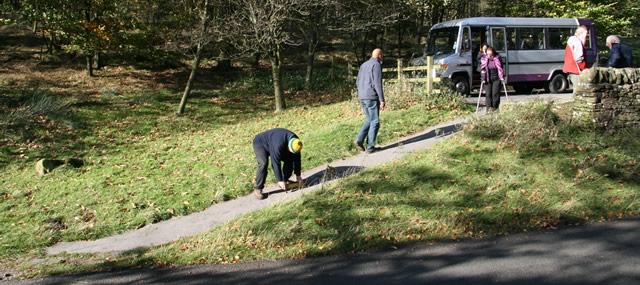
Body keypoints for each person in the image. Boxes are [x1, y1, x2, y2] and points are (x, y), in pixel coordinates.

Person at [252, 128, 303, 200]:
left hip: (276, 143)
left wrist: (298, 175)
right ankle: (258, 188)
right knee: (263, 164)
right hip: (260, 144)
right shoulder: (278, 145)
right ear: (288, 146)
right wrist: (279, 180)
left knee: (289, 159)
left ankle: (285, 180)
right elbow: (275, 162)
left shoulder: (296, 142)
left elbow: (297, 159)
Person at [355, 48, 385, 154]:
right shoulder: (376, 65)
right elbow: (377, 83)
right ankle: (370, 146)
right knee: (375, 121)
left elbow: (357, 81)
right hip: (371, 96)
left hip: (362, 96)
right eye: (382, 56)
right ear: (379, 55)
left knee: (369, 119)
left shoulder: (363, 65)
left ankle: (359, 139)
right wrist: (382, 99)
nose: (383, 58)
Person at [480, 46, 504, 111]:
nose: (489, 56)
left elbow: (501, 68)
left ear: (493, 53)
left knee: (495, 94)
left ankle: (495, 108)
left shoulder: (497, 58)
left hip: (496, 78)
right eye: (488, 54)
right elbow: (482, 69)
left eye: (490, 54)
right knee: (488, 94)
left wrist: (501, 77)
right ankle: (488, 109)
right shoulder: (484, 59)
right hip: (487, 78)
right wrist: (483, 79)